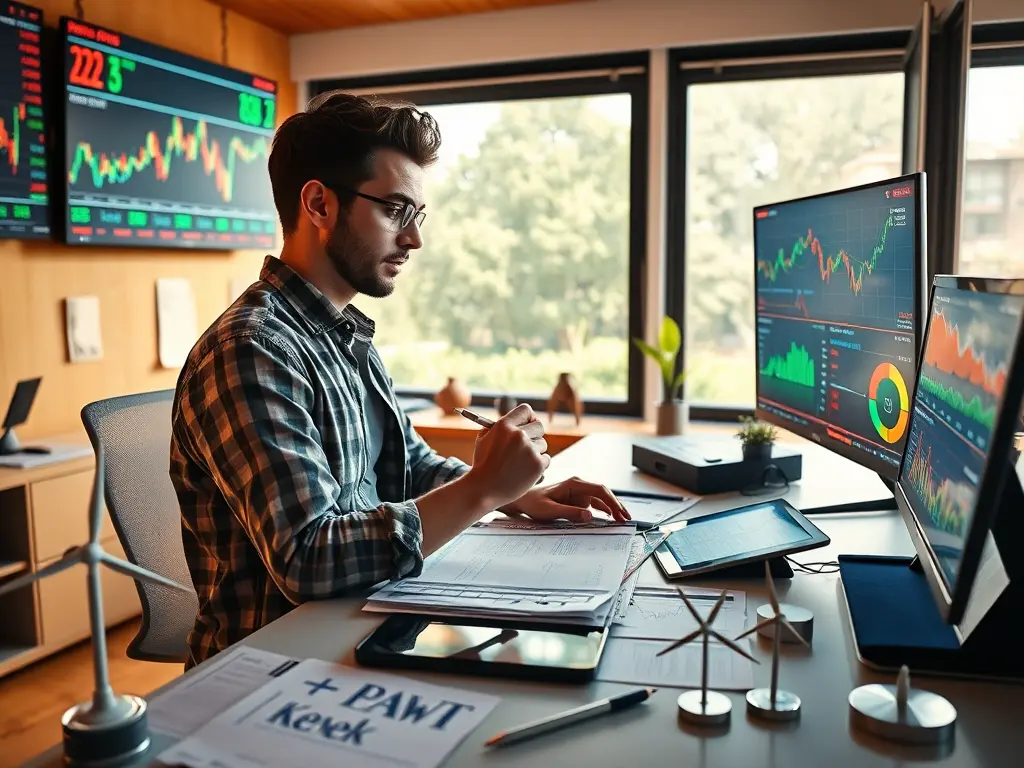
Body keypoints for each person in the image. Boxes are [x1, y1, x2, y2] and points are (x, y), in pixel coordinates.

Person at [169, 91, 630, 669]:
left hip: (355, 631)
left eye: (418, 216)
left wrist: (519, 495)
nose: (414, 240)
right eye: (395, 211)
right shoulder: (252, 350)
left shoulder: (342, 334)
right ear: (318, 204)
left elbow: (406, 465)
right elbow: (308, 560)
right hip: (272, 670)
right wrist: (483, 489)